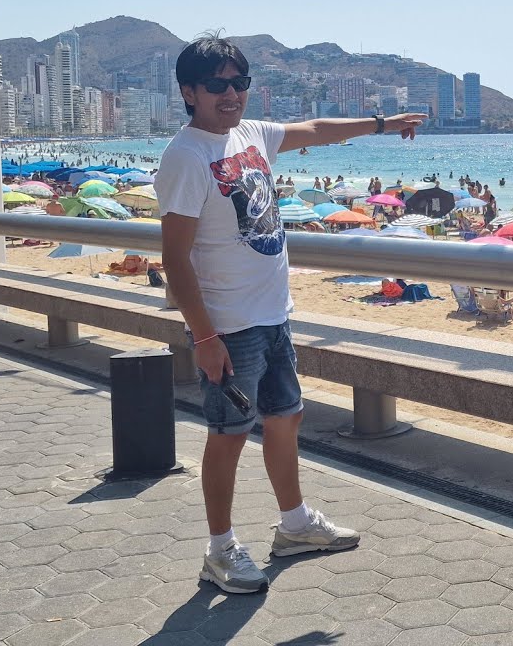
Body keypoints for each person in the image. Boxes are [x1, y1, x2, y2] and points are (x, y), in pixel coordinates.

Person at [158, 35, 426, 594]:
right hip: (228, 325)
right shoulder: (185, 157)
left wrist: (381, 123)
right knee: (228, 434)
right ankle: (220, 549)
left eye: (240, 83)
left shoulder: (250, 134)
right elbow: (174, 258)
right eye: (217, 85)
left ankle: (296, 524)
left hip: (274, 314)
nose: (231, 94)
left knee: (286, 417)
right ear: (189, 91)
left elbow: (316, 132)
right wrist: (204, 337)